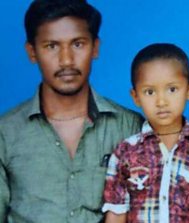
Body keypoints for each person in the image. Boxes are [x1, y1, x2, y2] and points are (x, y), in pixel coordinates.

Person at [0, 0, 144, 222]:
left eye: (78, 44)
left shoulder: (130, 127)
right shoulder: (5, 133)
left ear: (95, 47)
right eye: (51, 46)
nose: (66, 60)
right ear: (32, 52)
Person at [102, 43, 189, 223]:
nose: (161, 101)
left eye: (172, 89)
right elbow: (116, 215)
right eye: (149, 92)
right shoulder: (125, 153)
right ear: (136, 97)